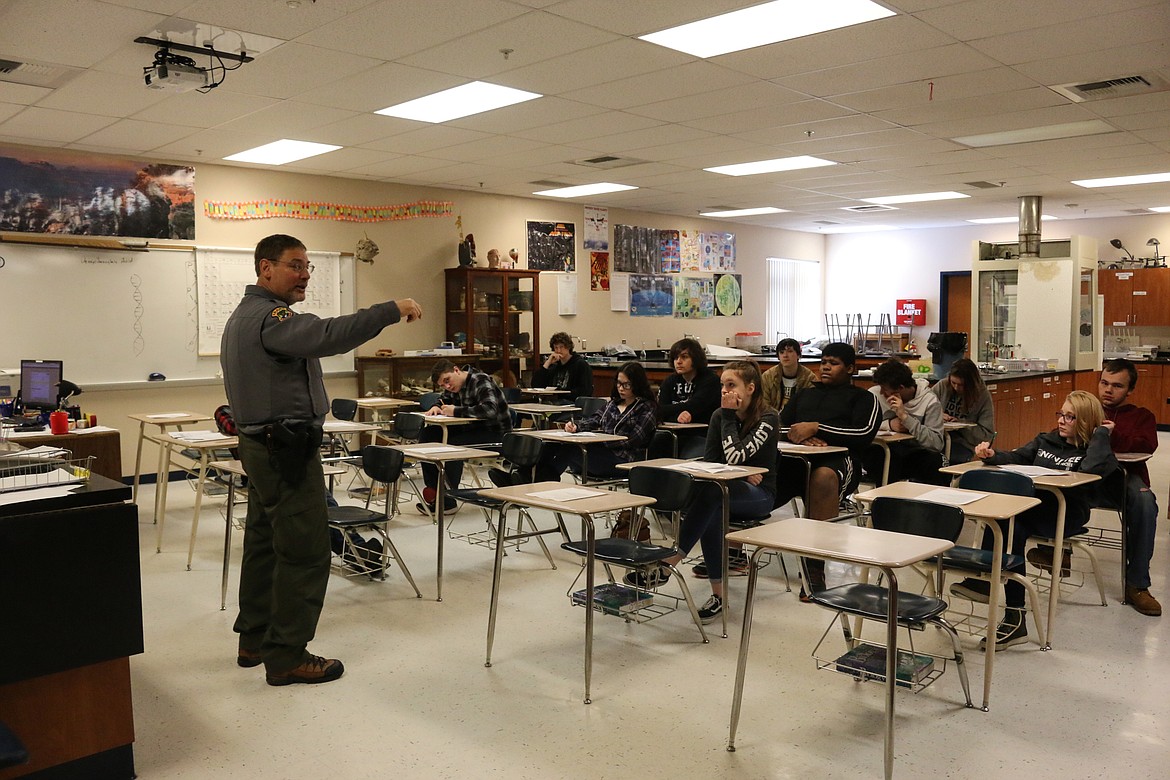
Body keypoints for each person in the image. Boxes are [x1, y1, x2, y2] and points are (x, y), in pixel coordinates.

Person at [221, 233, 422, 686]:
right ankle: (287, 654)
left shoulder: (241, 317)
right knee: (306, 550)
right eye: (295, 265)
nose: (305, 274)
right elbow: (328, 335)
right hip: (284, 451)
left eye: (308, 266)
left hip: (263, 447)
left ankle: (253, 638)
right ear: (265, 268)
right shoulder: (271, 318)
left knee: (264, 543)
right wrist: (389, 310)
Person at [951, 390, 1119, 649]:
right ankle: (1012, 614)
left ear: (1086, 422)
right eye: (1061, 414)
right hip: (1033, 509)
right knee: (1005, 519)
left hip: (1066, 514)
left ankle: (988, 581)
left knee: (1011, 522)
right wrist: (992, 456)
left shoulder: (1096, 450)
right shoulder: (1046, 440)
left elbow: (1090, 471)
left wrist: (1101, 434)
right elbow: (1019, 457)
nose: (1062, 420)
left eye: (1071, 417)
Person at [625, 361, 777, 624]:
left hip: (760, 494)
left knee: (714, 495)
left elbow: (734, 454)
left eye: (732, 385)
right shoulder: (719, 416)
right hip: (728, 488)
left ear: (751, 388)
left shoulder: (767, 417)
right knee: (711, 496)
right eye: (722, 385)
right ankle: (719, 595)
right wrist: (738, 469)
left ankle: (670, 561)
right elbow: (711, 463)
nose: (725, 392)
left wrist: (730, 428)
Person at [777, 342, 880, 599]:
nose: (825, 367)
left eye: (833, 363)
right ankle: (732, 554)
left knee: (822, 478)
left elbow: (864, 434)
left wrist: (817, 428)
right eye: (823, 361)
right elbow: (776, 425)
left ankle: (814, 568)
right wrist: (798, 436)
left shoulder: (863, 398)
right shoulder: (805, 394)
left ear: (850, 369)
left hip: (839, 463)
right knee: (751, 472)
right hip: (795, 459)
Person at [1093, 359, 1160, 616]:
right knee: (1057, 483)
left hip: (1124, 478)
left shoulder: (1142, 416)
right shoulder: (1087, 408)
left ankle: (1137, 585)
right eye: (1104, 383)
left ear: (1130, 390)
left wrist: (1113, 434)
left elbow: (1145, 446)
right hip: (1090, 475)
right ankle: (1056, 552)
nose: (1108, 390)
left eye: (1117, 386)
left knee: (1145, 502)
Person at [529, 361, 656, 484]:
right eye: (618, 383)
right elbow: (594, 420)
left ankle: (541, 481)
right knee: (552, 444)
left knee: (573, 449)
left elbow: (633, 440)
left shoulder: (646, 407)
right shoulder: (613, 404)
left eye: (626, 385)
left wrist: (602, 441)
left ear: (637, 384)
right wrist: (576, 426)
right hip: (601, 452)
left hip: (622, 459)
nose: (621, 388)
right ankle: (530, 477)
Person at [418, 360, 512, 513]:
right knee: (429, 434)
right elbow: (443, 399)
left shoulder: (480, 380)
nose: (447, 386)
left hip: (495, 434)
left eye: (447, 381)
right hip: (472, 431)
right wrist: (436, 406)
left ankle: (448, 501)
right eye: (443, 385)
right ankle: (435, 490)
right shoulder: (453, 387)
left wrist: (456, 411)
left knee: (453, 446)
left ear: (456, 370)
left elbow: (490, 410)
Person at [862, 359, 946, 485]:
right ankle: (885, 500)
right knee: (884, 458)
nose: (881, 392)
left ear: (900, 388)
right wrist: (889, 425)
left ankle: (928, 503)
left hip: (914, 452)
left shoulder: (929, 401)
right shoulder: (874, 394)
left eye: (885, 389)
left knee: (937, 461)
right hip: (882, 450)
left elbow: (936, 443)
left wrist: (906, 418)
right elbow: (862, 425)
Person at [656, 338, 720, 457]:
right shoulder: (670, 381)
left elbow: (696, 406)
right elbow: (659, 410)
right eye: (676, 358)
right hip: (672, 434)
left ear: (695, 359)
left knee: (688, 457)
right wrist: (677, 417)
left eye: (684, 357)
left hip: (701, 435)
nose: (678, 362)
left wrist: (673, 412)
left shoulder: (710, 380)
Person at [931, 358, 994, 463]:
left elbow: (986, 435)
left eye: (961, 385)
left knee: (947, 460)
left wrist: (962, 426)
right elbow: (925, 406)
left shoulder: (982, 396)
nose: (956, 387)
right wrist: (938, 414)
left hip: (963, 443)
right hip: (938, 438)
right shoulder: (943, 385)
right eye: (953, 383)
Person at [530, 331, 593, 400]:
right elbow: (536, 385)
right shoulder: (554, 367)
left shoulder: (580, 365)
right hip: (553, 402)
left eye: (561, 347)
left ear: (568, 347)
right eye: (556, 348)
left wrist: (563, 394)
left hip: (571, 403)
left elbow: (585, 390)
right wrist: (547, 363)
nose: (558, 350)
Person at [761, 338, 816, 411]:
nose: (785, 355)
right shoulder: (768, 376)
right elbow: (764, 405)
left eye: (790, 351)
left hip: (799, 419)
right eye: (781, 352)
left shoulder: (809, 378)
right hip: (773, 418)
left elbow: (811, 406)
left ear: (798, 355)